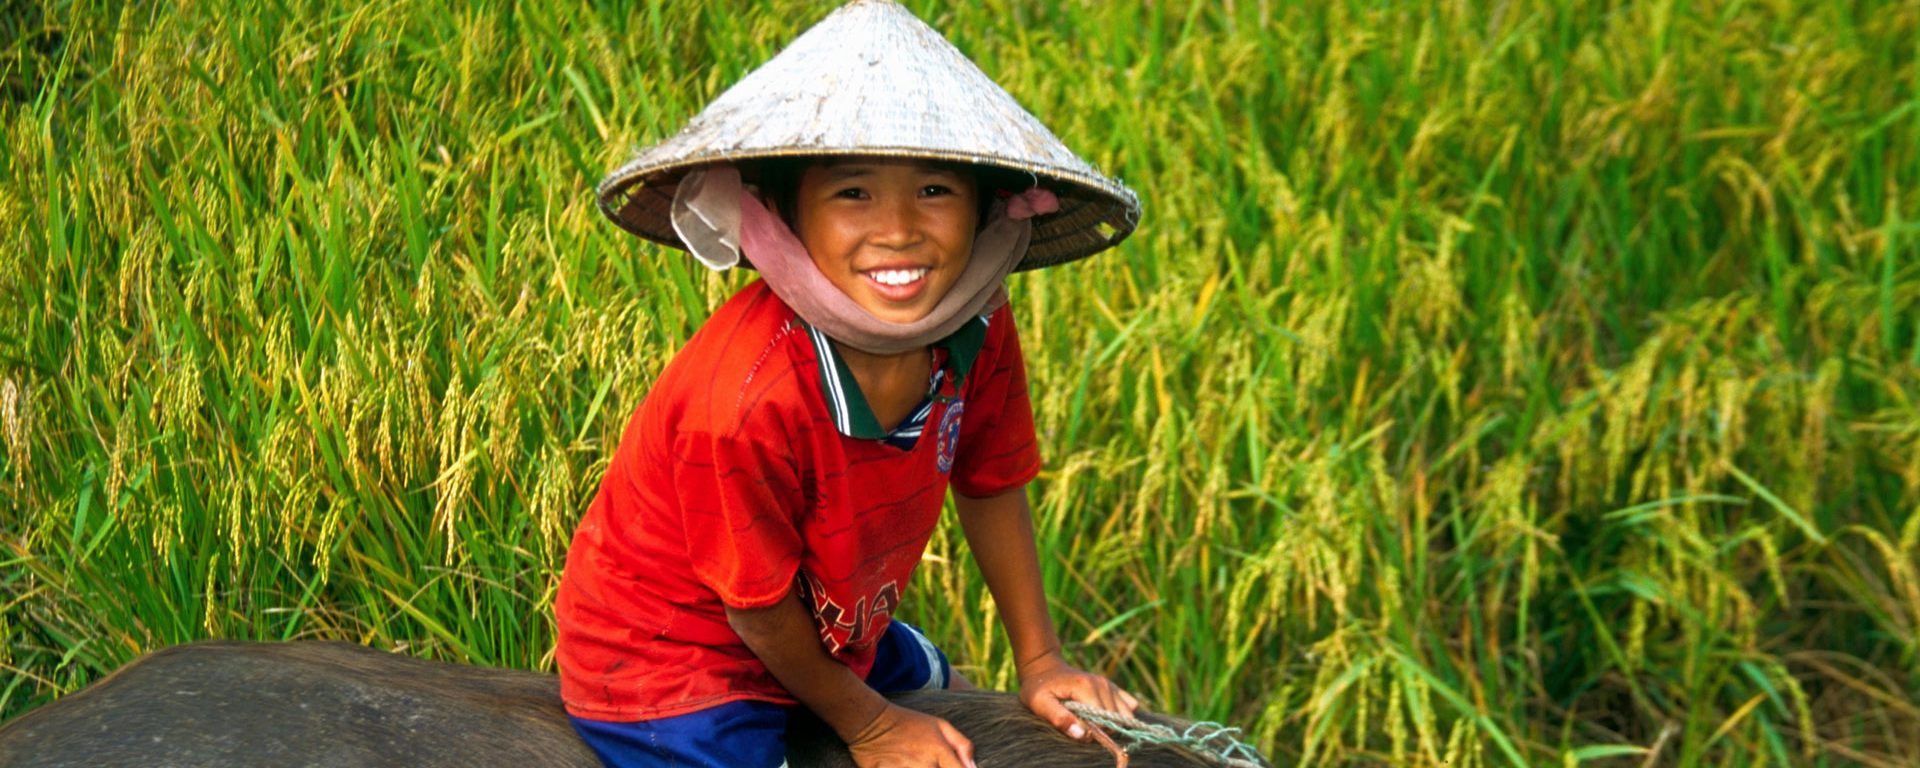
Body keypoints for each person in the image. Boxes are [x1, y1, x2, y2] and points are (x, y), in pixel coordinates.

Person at [556, 2, 1143, 766]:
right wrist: (870, 725)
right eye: (853, 193)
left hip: (836, 626)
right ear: (784, 213)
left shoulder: (976, 327)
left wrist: (1041, 661)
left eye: (935, 191)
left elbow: (992, 480)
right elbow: (754, 606)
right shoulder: (745, 398)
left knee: (950, 693)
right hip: (677, 660)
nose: (898, 229)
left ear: (985, 207)